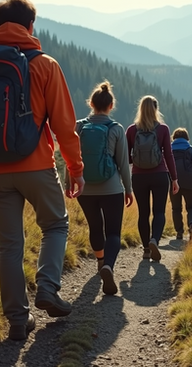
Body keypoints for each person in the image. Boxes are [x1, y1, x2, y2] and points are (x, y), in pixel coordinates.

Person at [0, 0, 84, 341]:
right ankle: (47, 288)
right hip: (38, 166)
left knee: (9, 245)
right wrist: (75, 169)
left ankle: (17, 319)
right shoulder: (46, 65)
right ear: (31, 26)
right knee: (56, 225)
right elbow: (64, 125)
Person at [69, 81, 133, 296]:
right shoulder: (116, 129)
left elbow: (70, 158)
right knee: (113, 231)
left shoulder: (78, 126)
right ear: (111, 105)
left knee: (95, 227)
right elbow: (123, 163)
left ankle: (100, 260)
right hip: (112, 188)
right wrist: (129, 189)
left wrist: (72, 183)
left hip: (85, 188)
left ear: (91, 103)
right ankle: (108, 266)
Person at [126, 95, 178, 261]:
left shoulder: (132, 130)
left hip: (139, 177)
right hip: (160, 175)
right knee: (159, 212)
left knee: (143, 213)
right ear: (156, 109)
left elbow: (126, 157)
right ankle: (155, 239)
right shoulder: (163, 129)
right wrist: (174, 179)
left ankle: (147, 249)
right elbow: (168, 155)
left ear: (140, 109)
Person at [169, 127, 192, 242]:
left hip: (173, 182)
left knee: (176, 208)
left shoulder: (169, 150)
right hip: (190, 183)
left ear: (174, 138)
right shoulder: (191, 150)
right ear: (187, 138)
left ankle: (179, 232)